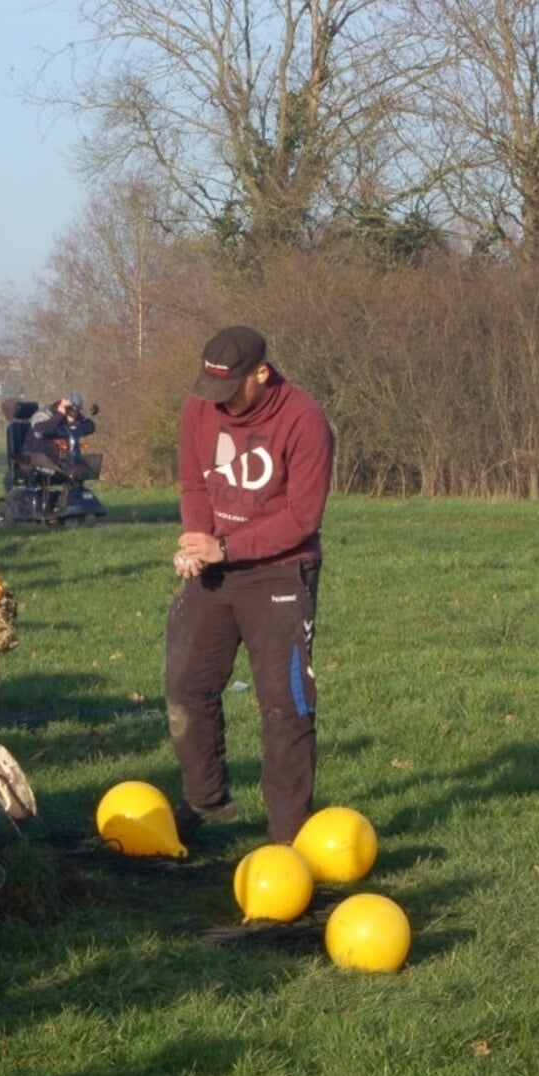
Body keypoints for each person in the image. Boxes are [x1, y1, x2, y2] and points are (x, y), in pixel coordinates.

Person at [164, 326, 334, 847]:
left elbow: (303, 517)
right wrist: (198, 538)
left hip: (280, 572)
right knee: (187, 684)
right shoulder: (200, 406)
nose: (219, 403)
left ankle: (288, 835)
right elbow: (194, 482)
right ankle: (206, 802)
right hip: (215, 567)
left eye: (230, 391)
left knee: (285, 705)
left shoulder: (304, 420)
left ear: (261, 374)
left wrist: (229, 549)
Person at [23, 394, 98, 495]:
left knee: (81, 469)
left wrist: (76, 427)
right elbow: (40, 431)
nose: (73, 414)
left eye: (76, 411)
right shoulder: (44, 413)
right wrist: (60, 415)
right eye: (70, 410)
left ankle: (74, 498)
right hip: (37, 459)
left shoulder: (74, 414)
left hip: (63, 460)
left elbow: (90, 425)